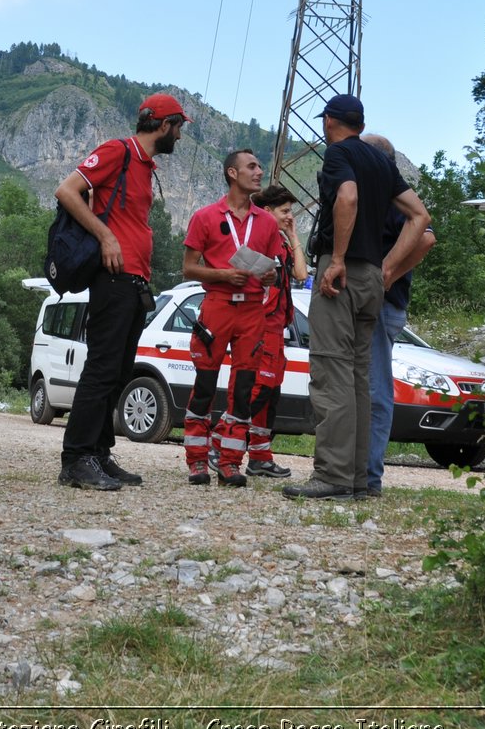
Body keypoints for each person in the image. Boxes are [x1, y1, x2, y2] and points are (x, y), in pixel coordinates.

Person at [285, 94, 430, 501]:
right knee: (358, 380)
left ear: (330, 121)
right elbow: (421, 217)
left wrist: (339, 260)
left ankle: (331, 476)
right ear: (360, 122)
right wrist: (386, 269)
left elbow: (346, 197)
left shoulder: (339, 155)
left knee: (331, 374)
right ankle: (361, 480)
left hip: (342, 273)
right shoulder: (383, 163)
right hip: (372, 281)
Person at [53, 93, 187, 491]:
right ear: (163, 124)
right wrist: (106, 235)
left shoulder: (145, 166)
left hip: (134, 281)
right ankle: (75, 458)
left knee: (118, 370)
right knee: (101, 369)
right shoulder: (118, 151)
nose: (179, 136)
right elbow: (66, 190)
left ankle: (98, 453)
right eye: (178, 127)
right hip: (112, 278)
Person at [179, 149, 286, 487]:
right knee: (205, 387)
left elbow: (269, 266)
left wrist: (268, 277)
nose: (259, 172)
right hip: (217, 305)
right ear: (231, 173)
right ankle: (197, 461)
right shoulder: (205, 216)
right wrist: (224, 275)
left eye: (259, 166)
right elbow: (188, 269)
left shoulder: (267, 222)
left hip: (253, 309)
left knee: (242, 391)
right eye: (251, 167)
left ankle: (230, 463)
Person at [360, 135, 437, 498]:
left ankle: (369, 476)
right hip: (383, 304)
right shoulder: (384, 194)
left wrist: (386, 273)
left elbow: (426, 238)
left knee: (375, 389)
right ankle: (361, 470)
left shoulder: (391, 195)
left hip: (380, 304)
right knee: (367, 387)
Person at [248, 183, 310, 479]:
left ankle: (260, 455)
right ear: (267, 211)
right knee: (257, 391)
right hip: (261, 327)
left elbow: (301, 274)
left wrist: (294, 235)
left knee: (270, 394)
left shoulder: (282, 242)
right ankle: (221, 443)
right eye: (285, 211)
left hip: (277, 329)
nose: (290, 217)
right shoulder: (257, 239)